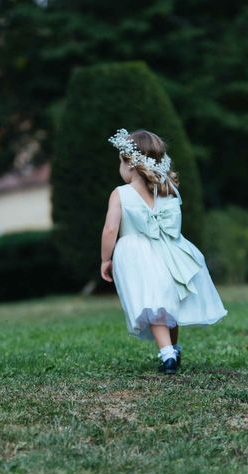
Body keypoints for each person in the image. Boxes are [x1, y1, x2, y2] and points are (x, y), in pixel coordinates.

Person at [100, 129, 227, 374]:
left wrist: (106, 258)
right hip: (170, 251)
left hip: (138, 255)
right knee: (170, 302)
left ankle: (167, 354)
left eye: (120, 161)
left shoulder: (120, 194)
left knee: (154, 304)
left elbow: (110, 229)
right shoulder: (168, 190)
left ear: (130, 163)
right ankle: (174, 348)